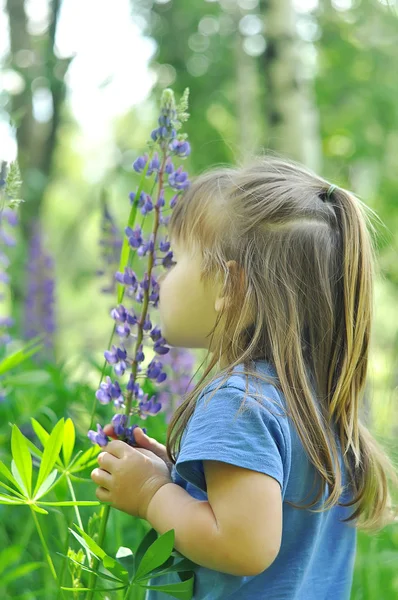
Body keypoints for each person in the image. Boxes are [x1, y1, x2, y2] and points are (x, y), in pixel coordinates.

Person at [91, 154, 397, 599]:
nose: (161, 276)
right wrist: (183, 479)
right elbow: (260, 511)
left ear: (230, 287)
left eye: (174, 259)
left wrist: (152, 494)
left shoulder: (238, 402)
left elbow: (243, 545)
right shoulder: (316, 403)